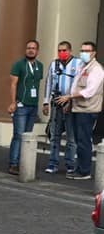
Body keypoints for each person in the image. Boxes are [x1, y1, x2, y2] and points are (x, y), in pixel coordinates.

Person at [55, 41, 104, 180]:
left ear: (93, 53)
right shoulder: (83, 66)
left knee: (84, 140)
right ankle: (80, 167)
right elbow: (75, 85)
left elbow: (89, 91)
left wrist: (69, 97)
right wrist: (70, 102)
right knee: (78, 139)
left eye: (87, 51)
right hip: (77, 108)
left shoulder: (97, 69)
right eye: (82, 50)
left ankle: (85, 171)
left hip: (88, 110)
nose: (83, 53)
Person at [41, 41, 82, 175]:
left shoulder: (78, 63)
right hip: (56, 103)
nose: (61, 53)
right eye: (59, 50)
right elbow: (48, 83)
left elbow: (80, 85)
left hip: (71, 104)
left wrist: (71, 100)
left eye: (64, 50)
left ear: (70, 51)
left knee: (71, 137)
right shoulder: (54, 64)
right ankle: (53, 163)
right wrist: (46, 102)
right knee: (54, 135)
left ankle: (70, 164)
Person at [7, 39, 44, 175]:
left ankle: (24, 161)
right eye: (28, 47)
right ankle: (13, 163)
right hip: (21, 105)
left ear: (37, 51)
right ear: (25, 50)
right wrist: (13, 102)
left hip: (33, 105)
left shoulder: (40, 66)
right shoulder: (18, 65)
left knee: (27, 135)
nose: (30, 50)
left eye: (33, 48)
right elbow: (13, 84)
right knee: (18, 135)